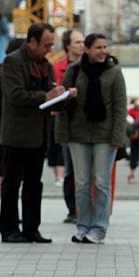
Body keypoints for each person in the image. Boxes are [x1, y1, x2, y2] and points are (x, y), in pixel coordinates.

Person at [0, 23, 75, 243]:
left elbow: (48, 97)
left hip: (38, 135)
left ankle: (32, 228)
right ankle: (9, 229)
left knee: (34, 183)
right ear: (31, 41)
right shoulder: (13, 61)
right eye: (46, 44)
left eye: (51, 45)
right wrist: (47, 96)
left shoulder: (45, 64)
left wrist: (63, 97)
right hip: (16, 135)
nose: (50, 49)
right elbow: (16, 96)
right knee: (12, 182)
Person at [56, 33, 127, 244]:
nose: (103, 51)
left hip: (105, 136)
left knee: (102, 183)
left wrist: (117, 137)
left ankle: (98, 229)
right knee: (83, 183)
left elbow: (120, 107)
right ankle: (83, 226)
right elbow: (62, 104)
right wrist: (62, 134)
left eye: (105, 47)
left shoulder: (114, 72)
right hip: (78, 134)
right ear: (87, 49)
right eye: (98, 47)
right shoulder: (74, 71)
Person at [53, 29, 85, 223]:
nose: (81, 45)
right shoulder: (57, 67)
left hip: (85, 123)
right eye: (77, 42)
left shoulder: (89, 66)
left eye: (83, 42)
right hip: (66, 122)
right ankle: (72, 209)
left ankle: (87, 209)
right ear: (67, 45)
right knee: (70, 169)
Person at [0, 38, 26, 177]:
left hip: (22, 129)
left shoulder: (30, 70)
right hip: (2, 127)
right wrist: (8, 106)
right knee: (5, 171)